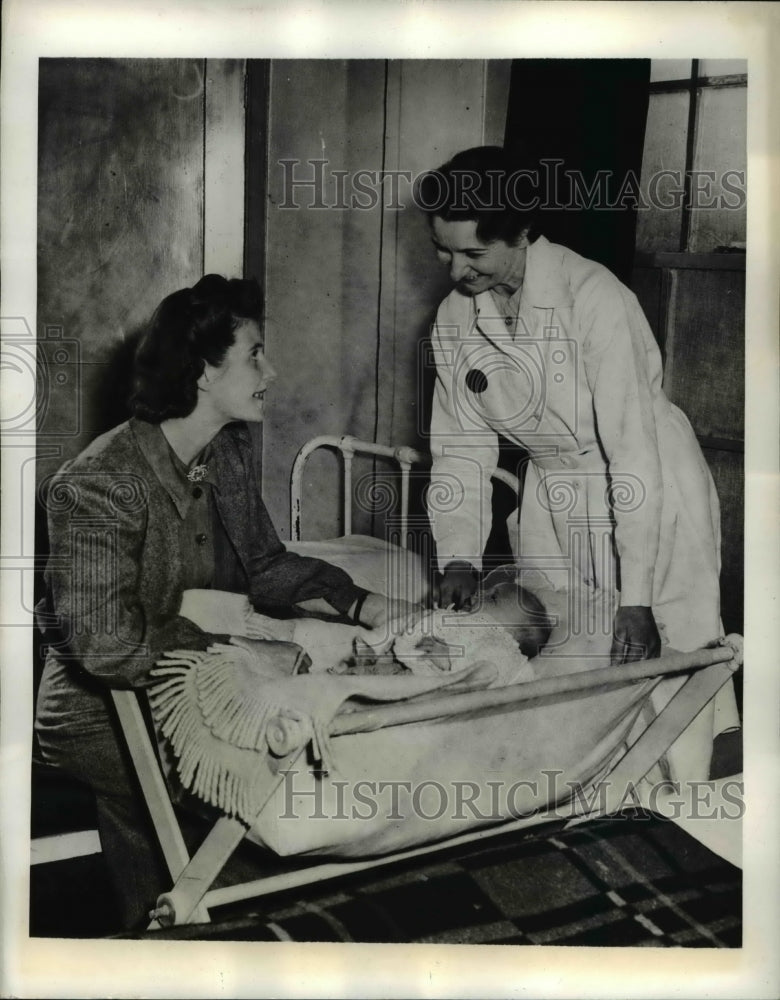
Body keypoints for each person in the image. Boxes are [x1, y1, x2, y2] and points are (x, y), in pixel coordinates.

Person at [34, 274, 416, 929]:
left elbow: (266, 567)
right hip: (98, 703)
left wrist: (364, 603)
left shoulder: (225, 452)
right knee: (260, 777)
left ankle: (198, 923)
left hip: (176, 678)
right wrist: (236, 651)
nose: (273, 368)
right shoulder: (99, 483)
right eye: (255, 354)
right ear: (204, 374)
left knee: (304, 742)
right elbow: (106, 646)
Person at [415, 146, 737, 779]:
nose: (455, 271)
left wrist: (637, 594)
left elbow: (632, 447)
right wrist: (459, 552)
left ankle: (691, 800)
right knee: (572, 643)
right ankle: (602, 790)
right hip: (553, 487)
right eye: (442, 251)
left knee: (665, 645)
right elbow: (459, 446)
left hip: (645, 482)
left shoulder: (592, 296)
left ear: (522, 234)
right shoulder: (454, 320)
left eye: (474, 254)